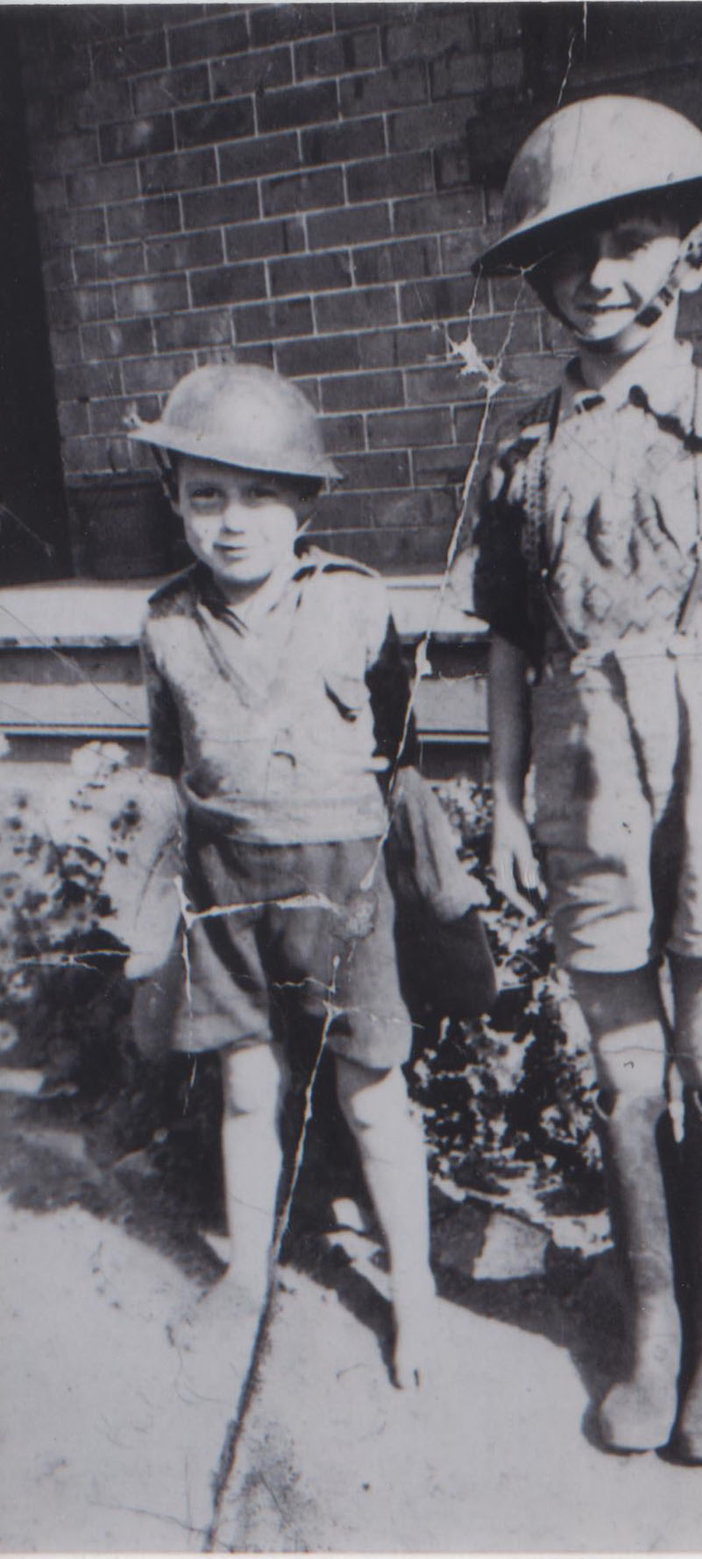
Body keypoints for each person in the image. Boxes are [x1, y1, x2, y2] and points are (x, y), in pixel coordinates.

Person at [472, 95, 702, 1463]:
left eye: (628, 240)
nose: (596, 277)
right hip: (581, 763)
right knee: (625, 1062)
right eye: (567, 255)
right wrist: (504, 798)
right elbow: (509, 642)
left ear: (694, 252)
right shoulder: (521, 453)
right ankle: (656, 1327)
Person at [128, 363, 435, 1390]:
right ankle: (248, 1279)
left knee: (373, 1091)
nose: (232, 521)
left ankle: (418, 1294)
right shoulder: (167, 623)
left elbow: (399, 744)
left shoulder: (354, 601)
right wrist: (148, 896)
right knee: (246, 1086)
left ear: (304, 502)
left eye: (260, 493)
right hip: (225, 881)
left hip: (342, 879)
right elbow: (169, 766)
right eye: (204, 494)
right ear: (173, 500)